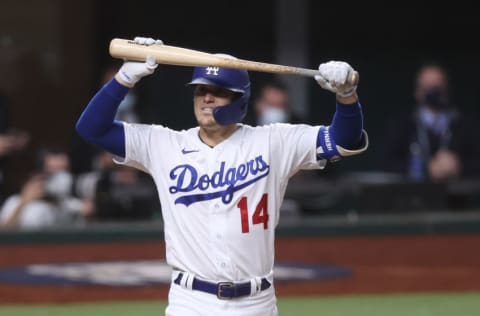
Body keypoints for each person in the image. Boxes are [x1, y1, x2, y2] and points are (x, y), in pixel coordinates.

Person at [76, 37, 368, 315]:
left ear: (239, 99)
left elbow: (344, 139)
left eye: (217, 91)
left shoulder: (274, 142)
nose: (206, 98)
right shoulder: (164, 144)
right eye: (201, 90)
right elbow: (92, 128)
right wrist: (125, 78)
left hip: (257, 302)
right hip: (191, 302)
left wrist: (346, 96)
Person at [383, 63, 480, 181]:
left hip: (454, 196)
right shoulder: (403, 124)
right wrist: (426, 168)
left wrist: (458, 166)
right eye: (428, 87)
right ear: (417, 91)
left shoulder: (464, 124)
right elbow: (388, 163)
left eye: (438, 86)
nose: (434, 92)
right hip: (414, 196)